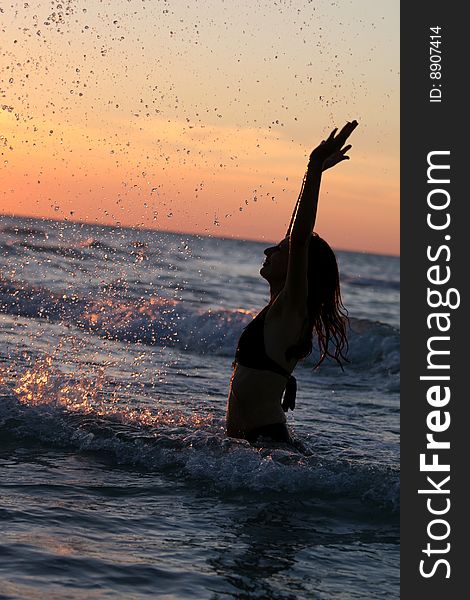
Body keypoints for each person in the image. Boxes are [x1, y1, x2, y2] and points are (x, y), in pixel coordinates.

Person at [225, 120, 358, 443]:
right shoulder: (279, 309)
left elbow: (298, 240)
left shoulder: (292, 308)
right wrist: (313, 174)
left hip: (267, 444)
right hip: (253, 448)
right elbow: (293, 236)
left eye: (280, 250)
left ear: (300, 267)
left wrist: (313, 168)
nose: (269, 250)